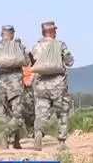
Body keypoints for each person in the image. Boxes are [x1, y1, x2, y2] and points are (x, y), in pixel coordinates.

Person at [31, 21, 74, 151]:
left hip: (41, 85)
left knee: (41, 112)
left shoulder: (36, 46)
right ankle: (61, 142)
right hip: (58, 84)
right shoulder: (60, 45)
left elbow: (31, 62)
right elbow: (69, 61)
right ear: (52, 31)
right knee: (62, 112)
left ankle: (38, 133)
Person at [0, 25, 30, 149]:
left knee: (8, 114)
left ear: (2, 34)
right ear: (12, 34)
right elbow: (27, 60)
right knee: (18, 115)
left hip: (2, 84)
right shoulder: (18, 46)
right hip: (15, 84)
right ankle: (5, 134)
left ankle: (14, 142)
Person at [21, 64, 35, 137]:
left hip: (31, 88)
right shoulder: (19, 61)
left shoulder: (33, 61)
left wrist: (31, 78)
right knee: (24, 112)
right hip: (22, 88)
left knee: (32, 110)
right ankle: (29, 130)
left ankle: (33, 130)